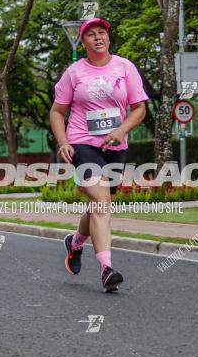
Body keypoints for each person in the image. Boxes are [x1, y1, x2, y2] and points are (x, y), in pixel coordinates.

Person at [49, 17, 148, 292]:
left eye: (101, 32)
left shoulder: (125, 67)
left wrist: (121, 130)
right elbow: (57, 112)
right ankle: (107, 269)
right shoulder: (74, 72)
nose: (98, 37)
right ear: (84, 42)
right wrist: (63, 142)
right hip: (82, 142)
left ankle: (76, 242)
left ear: (108, 37)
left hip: (116, 145)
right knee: (102, 201)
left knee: (99, 203)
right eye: (91, 34)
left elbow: (139, 108)